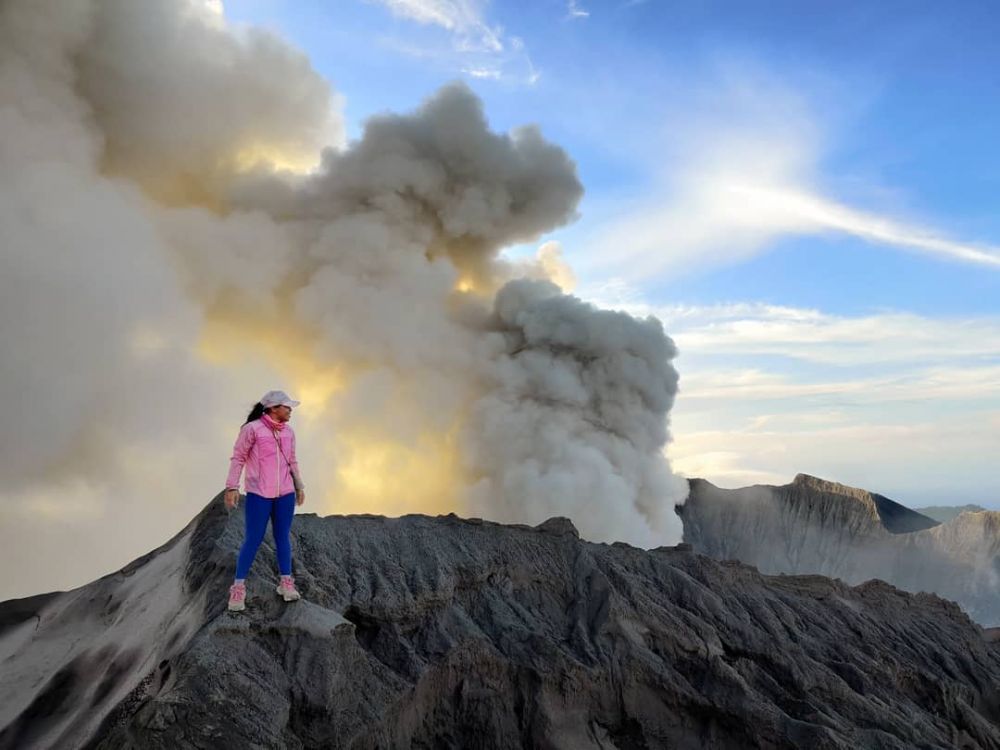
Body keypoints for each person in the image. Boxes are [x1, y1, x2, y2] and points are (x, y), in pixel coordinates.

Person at [223, 390, 306, 612]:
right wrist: (232, 487)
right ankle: (238, 588)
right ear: (273, 408)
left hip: (285, 494)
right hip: (259, 493)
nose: (290, 410)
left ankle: (286, 582)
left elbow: (292, 461)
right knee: (253, 538)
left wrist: (299, 486)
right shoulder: (252, 430)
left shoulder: (289, 432)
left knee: (282, 537)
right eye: (286, 407)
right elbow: (238, 458)